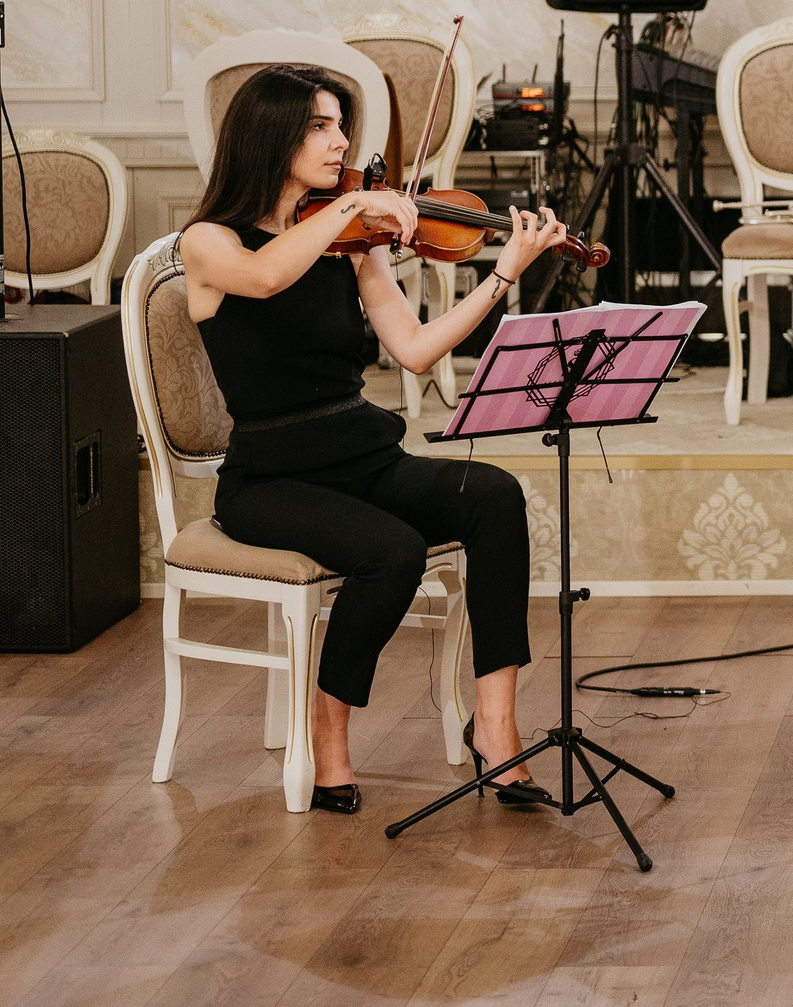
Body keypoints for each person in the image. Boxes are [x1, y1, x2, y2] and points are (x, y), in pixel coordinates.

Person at [180, 62, 572, 815]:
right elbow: (263, 278)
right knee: (389, 551)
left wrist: (502, 277)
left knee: (494, 495)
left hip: (360, 454)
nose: (341, 141)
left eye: (340, 124)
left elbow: (416, 348)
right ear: (271, 134)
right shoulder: (210, 242)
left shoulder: (350, 239)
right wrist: (355, 203)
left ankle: (496, 728)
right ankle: (330, 734)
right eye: (321, 125)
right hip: (270, 479)